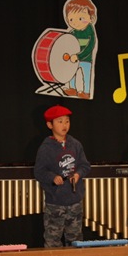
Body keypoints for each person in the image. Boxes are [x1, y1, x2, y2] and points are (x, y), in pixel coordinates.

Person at [34, 105, 91, 247]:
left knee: (76, 240)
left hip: (75, 201)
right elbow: (39, 172)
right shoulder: (46, 148)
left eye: (67, 121)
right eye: (60, 121)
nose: (64, 125)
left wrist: (78, 174)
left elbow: (85, 166)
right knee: (52, 240)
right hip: (55, 202)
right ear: (50, 125)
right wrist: (52, 177)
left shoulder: (75, 144)